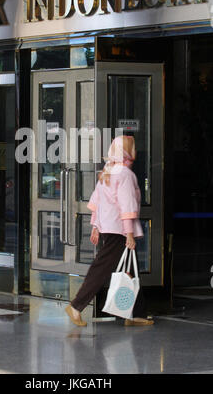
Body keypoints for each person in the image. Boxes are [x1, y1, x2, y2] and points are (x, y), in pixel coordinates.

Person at [65, 135, 154, 327]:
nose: (136, 151)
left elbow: (97, 202)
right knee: (103, 268)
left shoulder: (108, 171)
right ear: (126, 152)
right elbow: (127, 205)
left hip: (109, 227)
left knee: (130, 269)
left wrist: (96, 226)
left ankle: (134, 314)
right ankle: (76, 306)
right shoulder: (125, 174)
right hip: (119, 230)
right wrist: (129, 233)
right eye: (133, 147)